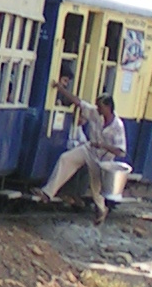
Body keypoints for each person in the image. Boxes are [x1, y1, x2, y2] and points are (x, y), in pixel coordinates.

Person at [37, 87, 127, 224]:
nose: (97, 109)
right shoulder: (96, 114)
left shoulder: (118, 126)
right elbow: (79, 102)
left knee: (96, 188)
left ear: (108, 107)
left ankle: (102, 210)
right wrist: (60, 89)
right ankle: (48, 193)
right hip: (88, 150)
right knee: (66, 159)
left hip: (102, 160)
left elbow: (120, 151)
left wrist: (103, 146)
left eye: (100, 107)